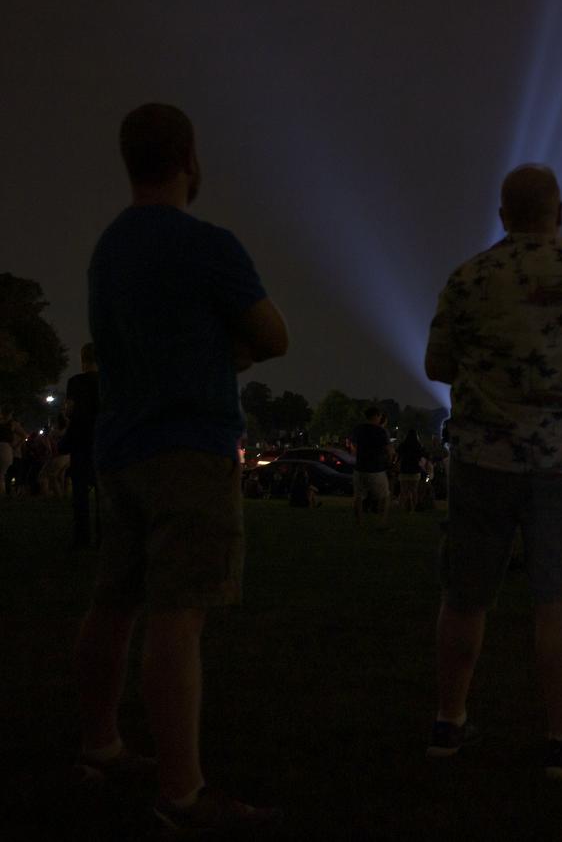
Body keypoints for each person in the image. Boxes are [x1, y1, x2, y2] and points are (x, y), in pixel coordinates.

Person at [73, 104, 288, 831]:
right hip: (188, 448)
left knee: (114, 603)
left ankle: (100, 741)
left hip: (121, 448)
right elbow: (272, 333)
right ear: (189, 159)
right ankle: (182, 790)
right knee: (177, 615)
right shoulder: (206, 246)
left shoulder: (108, 250)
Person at [424, 164, 562, 780]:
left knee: (465, 595)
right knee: (559, 599)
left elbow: (438, 363)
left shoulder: (470, 279)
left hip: (481, 460)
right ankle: (561, 738)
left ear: (502, 214)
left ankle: (449, 720)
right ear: (559, 213)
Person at [65, 342, 101, 547]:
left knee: (80, 491)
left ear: (83, 359)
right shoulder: (108, 381)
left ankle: (81, 536)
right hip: (101, 438)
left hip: (80, 439)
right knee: (102, 492)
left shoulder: (75, 382)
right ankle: (103, 535)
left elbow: (70, 410)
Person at [351, 407, 393, 528]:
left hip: (359, 468)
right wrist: (389, 462)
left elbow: (353, 446)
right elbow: (389, 450)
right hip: (376, 468)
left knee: (358, 496)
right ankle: (381, 523)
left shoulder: (358, 429)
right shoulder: (381, 431)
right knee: (384, 496)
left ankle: (359, 523)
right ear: (377, 416)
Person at [396, 428, 427, 512]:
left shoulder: (403, 445)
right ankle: (414, 508)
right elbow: (422, 456)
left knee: (403, 491)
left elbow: (398, 455)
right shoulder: (419, 446)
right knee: (414, 491)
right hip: (415, 470)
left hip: (404, 469)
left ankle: (401, 507)